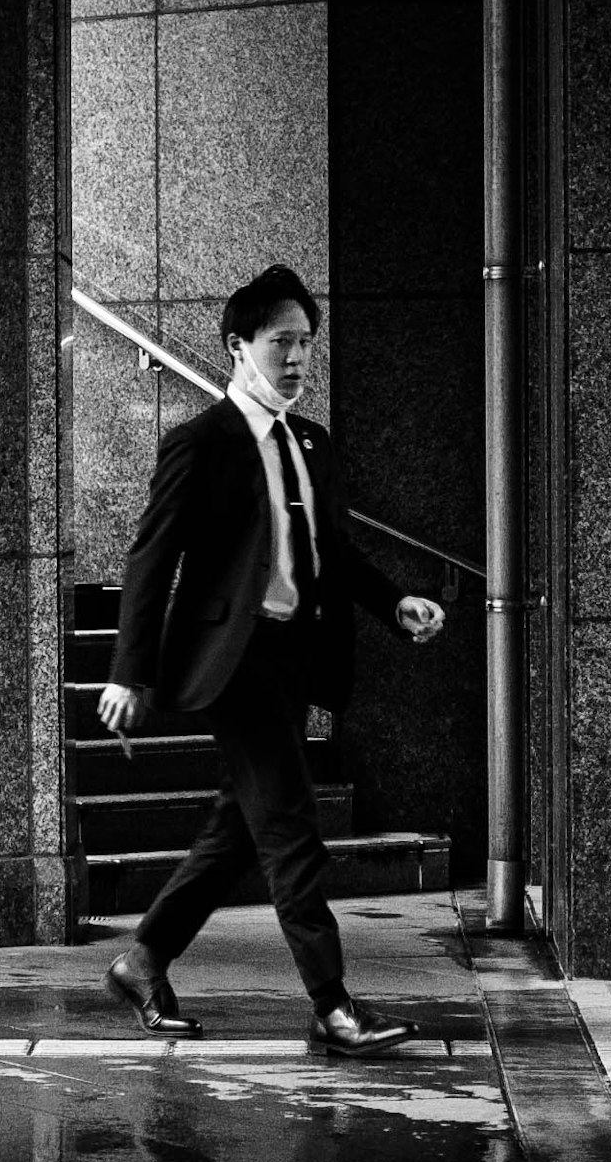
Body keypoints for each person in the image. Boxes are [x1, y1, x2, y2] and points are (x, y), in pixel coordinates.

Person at [99, 264, 449, 1053]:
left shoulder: (312, 442)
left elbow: (335, 552)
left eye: (306, 345)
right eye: (281, 343)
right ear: (237, 346)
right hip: (236, 659)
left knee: (240, 828)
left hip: (297, 657)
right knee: (292, 828)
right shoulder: (201, 443)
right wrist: (129, 672)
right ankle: (333, 1007)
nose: (297, 359)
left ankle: (143, 960)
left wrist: (394, 602)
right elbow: (149, 560)